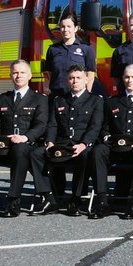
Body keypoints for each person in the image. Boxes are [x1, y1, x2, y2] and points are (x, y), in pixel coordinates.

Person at [0, 60, 49, 218]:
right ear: (10, 76)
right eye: (15, 72)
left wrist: (25, 137)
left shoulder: (39, 99)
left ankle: (14, 201)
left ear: (29, 76)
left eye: (22, 72)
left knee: (20, 149)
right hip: (5, 146)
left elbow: (41, 125)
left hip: (27, 145)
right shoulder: (2, 99)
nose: (18, 76)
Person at [89, 64, 133, 220]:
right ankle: (102, 201)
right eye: (127, 77)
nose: (130, 80)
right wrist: (106, 136)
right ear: (122, 78)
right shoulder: (113, 101)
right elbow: (105, 128)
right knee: (98, 151)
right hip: (116, 147)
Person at [30, 65, 103, 215]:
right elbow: (53, 124)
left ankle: (76, 199)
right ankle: (48, 197)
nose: (74, 81)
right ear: (67, 80)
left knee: (86, 156)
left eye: (78, 78)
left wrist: (83, 144)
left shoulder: (95, 101)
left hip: (82, 144)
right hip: (61, 144)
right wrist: (50, 142)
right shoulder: (59, 100)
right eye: (71, 78)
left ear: (86, 79)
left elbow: (95, 127)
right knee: (36, 154)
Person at [43, 14, 96, 99]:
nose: (65, 29)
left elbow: (90, 76)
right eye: (63, 27)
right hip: (57, 96)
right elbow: (48, 74)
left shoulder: (86, 49)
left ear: (75, 28)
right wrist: (46, 89)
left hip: (77, 96)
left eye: (69, 26)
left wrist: (86, 96)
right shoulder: (52, 49)